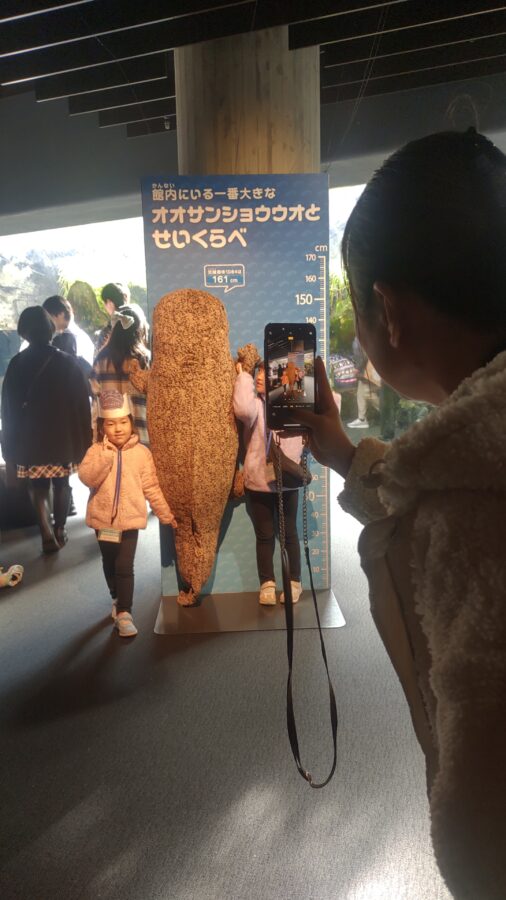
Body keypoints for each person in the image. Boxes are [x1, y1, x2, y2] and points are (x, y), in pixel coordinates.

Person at [296, 129, 506, 899]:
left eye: (358, 307)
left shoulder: (471, 518)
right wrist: (348, 455)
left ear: (387, 310)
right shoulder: (471, 461)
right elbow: (441, 477)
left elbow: (489, 795)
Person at [78, 390, 177, 637]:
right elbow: (87, 478)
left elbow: (151, 487)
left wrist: (165, 514)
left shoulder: (142, 454)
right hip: (103, 522)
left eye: (123, 422)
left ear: (131, 422)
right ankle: (115, 596)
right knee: (109, 562)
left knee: (124, 564)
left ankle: (125, 612)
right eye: (111, 424)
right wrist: (106, 457)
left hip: (130, 520)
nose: (118, 429)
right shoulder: (95, 451)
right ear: (102, 427)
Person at [1, 306, 92, 553]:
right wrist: (85, 441)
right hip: (63, 439)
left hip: (31, 440)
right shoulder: (68, 362)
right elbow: (82, 405)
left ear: (24, 332)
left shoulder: (16, 364)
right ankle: (61, 529)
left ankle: (45, 531)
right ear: (49, 328)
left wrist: (8, 446)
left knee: (38, 487)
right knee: (62, 483)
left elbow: (8, 410)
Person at [233, 359, 303, 605]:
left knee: (289, 534)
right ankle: (267, 584)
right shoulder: (255, 405)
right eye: (258, 371)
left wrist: (303, 381)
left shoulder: (293, 402)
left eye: (266, 371)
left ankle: (294, 582)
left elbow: (332, 405)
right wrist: (242, 375)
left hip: (287, 479)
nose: (260, 376)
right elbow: (241, 409)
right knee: (264, 534)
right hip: (259, 481)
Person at [91, 305, 150, 444]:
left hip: (111, 438)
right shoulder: (145, 359)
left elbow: (95, 406)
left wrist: (95, 439)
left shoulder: (101, 360)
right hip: (142, 437)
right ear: (139, 330)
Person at [96, 282, 148, 355]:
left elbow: (100, 359)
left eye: (105, 303)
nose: (105, 307)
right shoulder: (139, 318)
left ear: (109, 302)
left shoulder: (110, 329)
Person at [347, 335, 381, 428]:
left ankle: (388, 414)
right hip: (372, 370)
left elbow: (362, 356)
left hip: (369, 371)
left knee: (366, 393)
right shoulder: (368, 336)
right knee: (362, 393)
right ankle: (362, 419)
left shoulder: (358, 339)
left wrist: (357, 368)